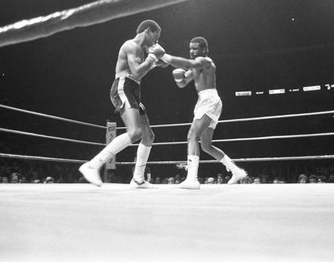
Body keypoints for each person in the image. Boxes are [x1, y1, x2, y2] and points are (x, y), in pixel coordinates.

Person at [79, 20, 166, 188]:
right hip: (123, 86)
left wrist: (158, 56)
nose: (157, 40)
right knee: (134, 132)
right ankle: (92, 165)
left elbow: (163, 62)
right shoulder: (130, 46)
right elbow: (137, 72)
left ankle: (138, 179)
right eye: (157, 36)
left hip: (134, 90)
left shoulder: (144, 49)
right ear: (148, 31)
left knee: (148, 135)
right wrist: (154, 56)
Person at [161, 37, 247, 189]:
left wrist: (165, 56)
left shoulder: (206, 61)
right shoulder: (195, 67)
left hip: (209, 100)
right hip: (204, 101)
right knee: (206, 145)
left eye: (195, 48)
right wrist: (177, 77)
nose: (192, 51)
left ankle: (192, 179)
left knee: (192, 136)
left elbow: (188, 63)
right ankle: (237, 171)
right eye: (190, 48)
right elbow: (182, 83)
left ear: (204, 50)